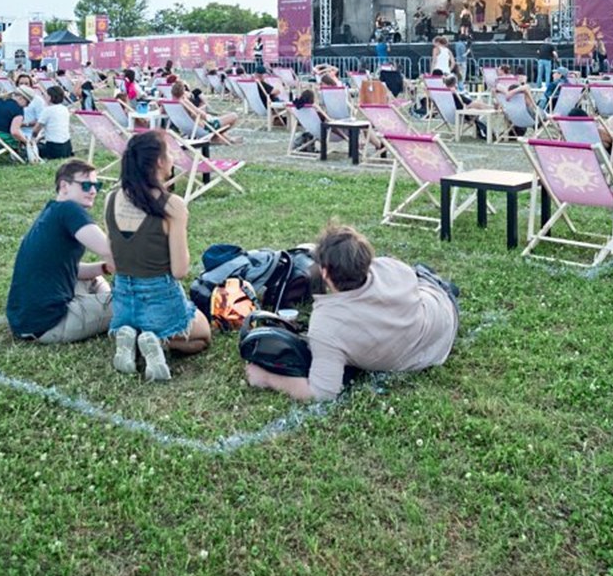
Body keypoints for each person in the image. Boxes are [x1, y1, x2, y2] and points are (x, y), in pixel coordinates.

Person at [244, 223, 458, 402]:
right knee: (421, 274)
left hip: (433, 325)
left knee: (424, 274)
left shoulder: (326, 326)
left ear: (325, 272)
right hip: (442, 316)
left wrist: (267, 378)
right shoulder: (395, 268)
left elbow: (322, 393)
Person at [105, 130, 211, 381]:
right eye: (170, 152)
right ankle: (157, 342)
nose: (173, 157)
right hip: (159, 298)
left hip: (122, 302)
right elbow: (179, 271)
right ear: (159, 162)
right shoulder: (172, 205)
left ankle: (132, 334)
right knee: (204, 336)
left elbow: (112, 259)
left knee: (139, 320)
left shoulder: (111, 198)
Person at [6, 160, 116, 342]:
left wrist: (105, 267)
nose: (93, 191)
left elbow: (69, 268)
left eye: (97, 185)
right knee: (135, 302)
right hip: (52, 323)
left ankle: (107, 301)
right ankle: (114, 304)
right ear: (64, 186)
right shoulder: (70, 209)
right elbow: (110, 249)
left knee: (95, 278)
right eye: (86, 185)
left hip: (25, 321)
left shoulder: (53, 210)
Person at [168, 79, 239, 141]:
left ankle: (224, 138)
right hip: (205, 127)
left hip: (189, 128)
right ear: (183, 91)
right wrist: (205, 114)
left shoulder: (171, 103)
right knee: (234, 116)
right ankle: (215, 137)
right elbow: (198, 114)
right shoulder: (184, 102)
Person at [0, 88, 34, 156]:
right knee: (19, 140)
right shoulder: (18, 110)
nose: (27, 106)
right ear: (22, 97)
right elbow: (15, 132)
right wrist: (26, 142)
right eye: (28, 102)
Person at [33, 85, 76, 160]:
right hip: (67, 147)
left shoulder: (47, 111)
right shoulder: (64, 109)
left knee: (35, 148)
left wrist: (33, 139)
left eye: (45, 95)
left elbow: (36, 130)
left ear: (49, 97)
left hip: (54, 148)